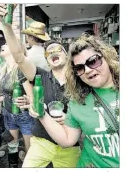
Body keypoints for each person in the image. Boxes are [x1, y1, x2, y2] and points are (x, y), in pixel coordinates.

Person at [0, 4, 81, 168]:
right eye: (48, 51)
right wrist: (5, 25)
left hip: (69, 148)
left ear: (66, 55)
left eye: (57, 49)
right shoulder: (41, 76)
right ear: (46, 59)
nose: (52, 52)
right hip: (41, 142)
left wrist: (72, 120)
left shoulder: (80, 80)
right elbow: (19, 57)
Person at [35, 36, 119, 168]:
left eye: (93, 61)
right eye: (80, 68)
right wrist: (41, 113)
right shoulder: (78, 100)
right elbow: (68, 139)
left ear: (106, 57)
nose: (88, 70)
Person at [0, 41, 35, 167]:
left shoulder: (20, 70)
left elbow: (31, 96)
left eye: (7, 44)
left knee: (30, 149)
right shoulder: (4, 68)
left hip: (23, 115)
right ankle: (13, 165)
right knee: (11, 143)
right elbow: (7, 94)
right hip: (8, 113)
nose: (3, 45)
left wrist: (27, 100)